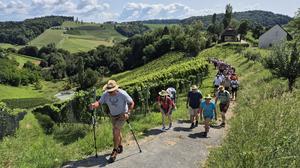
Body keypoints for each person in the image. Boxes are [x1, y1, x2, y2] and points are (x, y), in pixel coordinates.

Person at [90, 80, 134, 163]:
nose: (109, 92)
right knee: (117, 131)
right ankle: (120, 145)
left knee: (116, 130)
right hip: (113, 116)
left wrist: (128, 113)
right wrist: (94, 105)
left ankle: (114, 151)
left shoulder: (122, 93)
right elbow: (99, 103)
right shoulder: (105, 94)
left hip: (122, 115)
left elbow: (131, 103)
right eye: (108, 91)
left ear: (115, 89)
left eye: (111, 91)